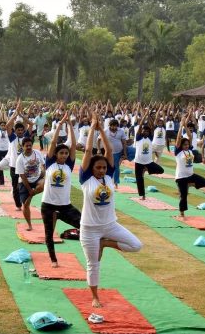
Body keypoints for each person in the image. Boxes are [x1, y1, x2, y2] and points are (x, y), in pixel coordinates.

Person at [80, 111, 142, 308]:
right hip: (89, 229)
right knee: (93, 265)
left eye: (104, 168)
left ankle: (105, 243)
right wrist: (92, 129)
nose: (102, 170)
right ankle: (95, 297)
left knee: (136, 245)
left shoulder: (109, 177)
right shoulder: (86, 180)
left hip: (110, 226)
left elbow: (109, 150)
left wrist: (102, 132)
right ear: (92, 169)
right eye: (98, 168)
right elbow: (89, 150)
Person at [40, 112, 81, 267]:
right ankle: (53, 260)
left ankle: (71, 234)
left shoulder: (69, 166)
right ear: (55, 154)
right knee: (49, 233)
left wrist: (70, 125)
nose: (64, 155)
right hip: (48, 204)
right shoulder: (50, 163)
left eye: (65, 153)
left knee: (84, 224)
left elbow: (74, 144)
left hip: (65, 205)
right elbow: (53, 142)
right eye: (61, 153)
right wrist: (59, 124)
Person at [174, 113, 205, 217]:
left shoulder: (190, 151)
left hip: (190, 175)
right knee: (183, 196)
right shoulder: (178, 152)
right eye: (184, 145)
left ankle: (191, 184)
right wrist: (181, 126)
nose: (186, 146)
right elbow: (179, 138)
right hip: (181, 177)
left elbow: (189, 136)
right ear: (181, 146)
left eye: (187, 144)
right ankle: (182, 213)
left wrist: (185, 125)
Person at [15, 136, 45, 231]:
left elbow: (43, 165)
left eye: (30, 145)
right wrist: (29, 190)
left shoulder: (37, 153)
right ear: (22, 147)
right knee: (26, 205)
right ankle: (29, 225)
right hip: (25, 182)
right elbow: (22, 176)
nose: (28, 147)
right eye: (26, 146)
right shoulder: (20, 159)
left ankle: (31, 195)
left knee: (44, 184)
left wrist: (44, 172)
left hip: (37, 178)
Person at [133, 124, 164, 200]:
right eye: (144, 131)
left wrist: (148, 115)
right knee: (139, 179)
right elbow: (139, 129)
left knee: (161, 170)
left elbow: (152, 127)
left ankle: (146, 169)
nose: (146, 132)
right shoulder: (138, 138)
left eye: (147, 131)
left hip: (148, 162)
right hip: (138, 162)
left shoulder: (150, 138)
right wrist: (144, 117)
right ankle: (142, 195)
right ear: (142, 131)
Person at [101, 119, 127, 189]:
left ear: (117, 126)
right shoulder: (105, 130)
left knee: (116, 168)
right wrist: (99, 149)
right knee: (106, 167)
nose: (113, 127)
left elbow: (124, 142)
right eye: (112, 126)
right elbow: (99, 139)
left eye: (115, 126)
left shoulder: (121, 131)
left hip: (118, 152)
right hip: (108, 152)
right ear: (109, 125)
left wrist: (124, 153)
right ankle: (105, 182)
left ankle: (116, 183)